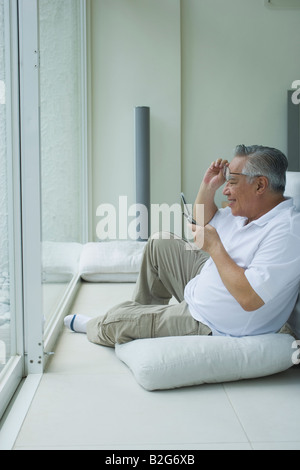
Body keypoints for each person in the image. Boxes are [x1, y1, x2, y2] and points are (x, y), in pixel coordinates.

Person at [64, 144, 300, 346]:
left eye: (233, 182)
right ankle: (141, 316)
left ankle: (110, 324)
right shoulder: (248, 212)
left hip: (213, 321)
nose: (226, 190)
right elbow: (199, 227)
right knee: (160, 243)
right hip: (208, 281)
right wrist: (207, 186)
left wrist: (216, 248)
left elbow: (250, 299)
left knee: (113, 320)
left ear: (260, 185)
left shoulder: (287, 232)